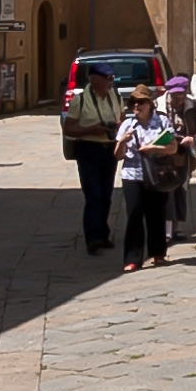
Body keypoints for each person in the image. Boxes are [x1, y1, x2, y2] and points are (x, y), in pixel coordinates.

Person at [61, 62, 125, 255]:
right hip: (88, 149)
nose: (110, 81)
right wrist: (91, 129)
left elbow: (122, 118)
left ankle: (103, 234)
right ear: (94, 79)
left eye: (111, 78)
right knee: (93, 195)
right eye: (107, 78)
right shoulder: (80, 100)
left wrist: (117, 126)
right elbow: (68, 128)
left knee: (106, 195)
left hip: (109, 149)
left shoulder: (115, 96)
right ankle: (92, 237)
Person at [114, 83, 178, 271]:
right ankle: (133, 258)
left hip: (156, 174)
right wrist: (122, 142)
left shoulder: (162, 122)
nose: (136, 106)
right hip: (132, 175)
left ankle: (158, 253)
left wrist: (154, 148)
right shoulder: (127, 125)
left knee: (156, 214)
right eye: (133, 102)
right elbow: (118, 156)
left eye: (141, 102)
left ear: (150, 104)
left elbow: (173, 147)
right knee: (134, 214)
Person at [162, 75, 196, 241]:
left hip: (185, 154)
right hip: (164, 153)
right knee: (166, 189)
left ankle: (176, 228)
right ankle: (165, 230)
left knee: (181, 189)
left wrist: (193, 139)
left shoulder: (193, 106)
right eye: (175, 97)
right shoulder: (158, 105)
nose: (178, 101)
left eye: (181, 97)